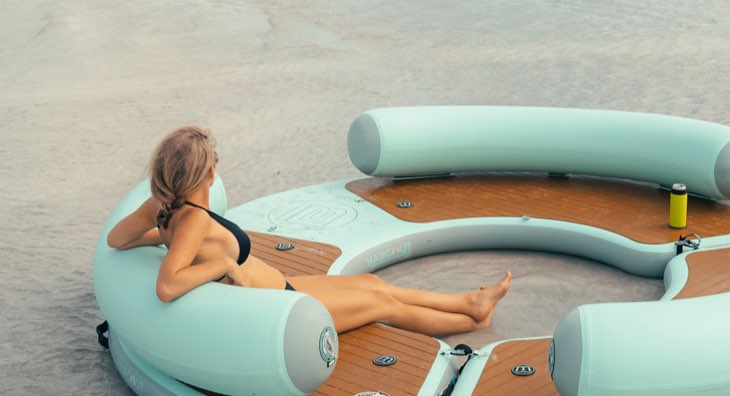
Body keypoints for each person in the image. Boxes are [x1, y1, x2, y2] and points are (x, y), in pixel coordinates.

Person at [107, 125, 511, 336]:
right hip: (279, 310)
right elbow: (167, 286)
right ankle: (471, 321)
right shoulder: (193, 218)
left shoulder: (163, 208)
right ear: (208, 173)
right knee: (382, 305)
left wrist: (160, 237)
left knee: (371, 283)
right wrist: (222, 265)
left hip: (282, 288)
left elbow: (117, 239)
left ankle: (467, 301)